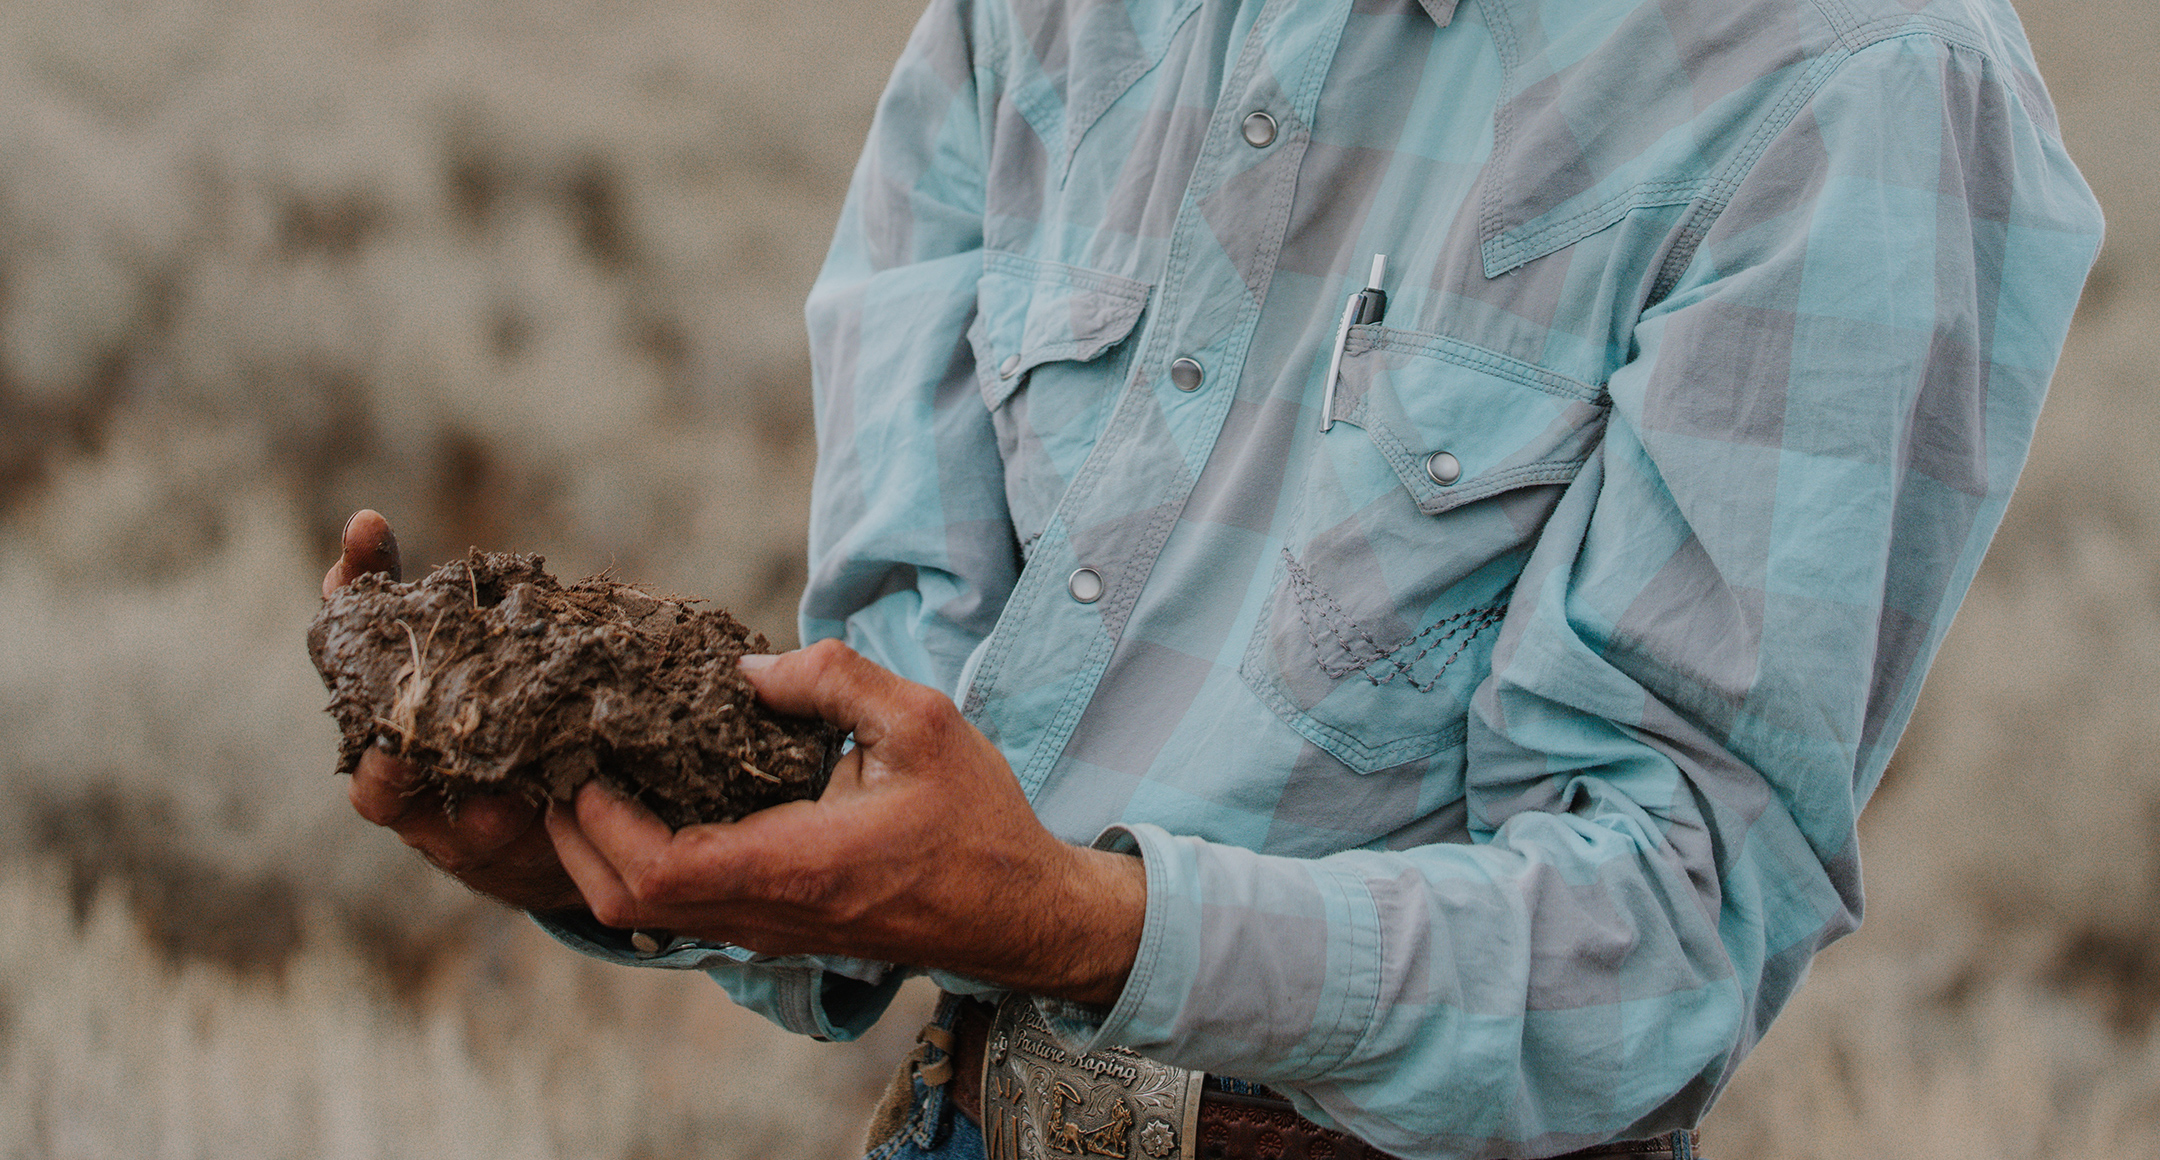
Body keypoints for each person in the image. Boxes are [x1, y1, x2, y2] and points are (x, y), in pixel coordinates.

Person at [326, 0, 2103, 1154]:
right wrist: (618, 844)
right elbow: (891, 767)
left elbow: (1667, 936)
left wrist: (1078, 923)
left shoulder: (1849, 81)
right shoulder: (1036, 19)